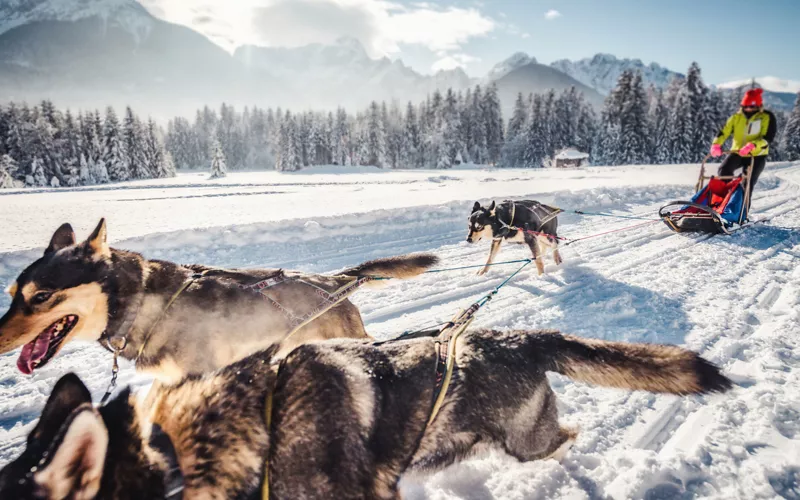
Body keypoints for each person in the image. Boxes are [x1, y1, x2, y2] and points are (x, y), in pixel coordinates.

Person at [709, 87, 777, 195]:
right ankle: (724, 201)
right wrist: (716, 144)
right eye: (746, 106)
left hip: (757, 155)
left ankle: (742, 210)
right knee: (724, 170)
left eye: (752, 106)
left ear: (758, 105)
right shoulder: (736, 117)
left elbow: (768, 138)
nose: (748, 109)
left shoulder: (766, 117)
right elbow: (723, 132)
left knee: (747, 183)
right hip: (738, 152)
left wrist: (753, 145)